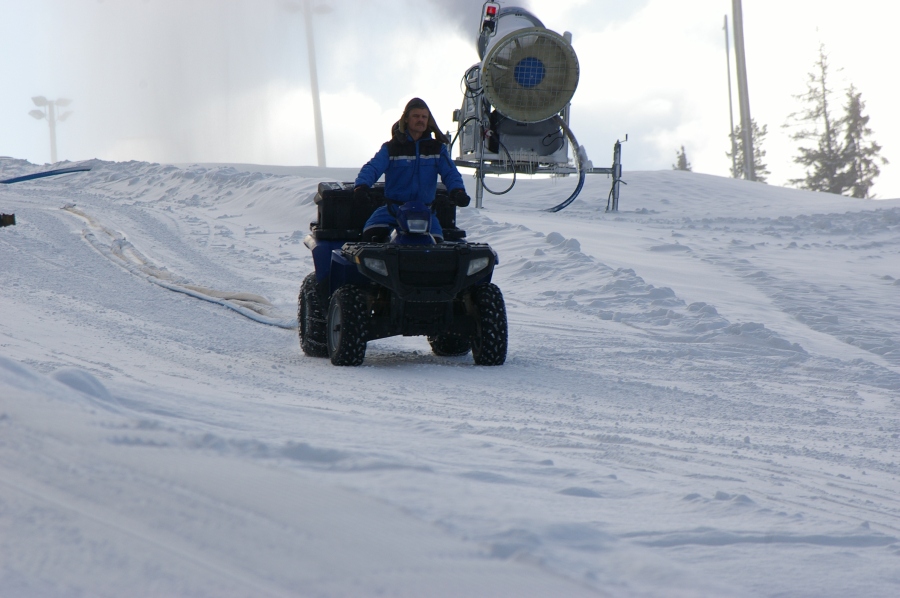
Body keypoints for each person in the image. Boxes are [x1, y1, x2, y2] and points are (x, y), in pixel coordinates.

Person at [354, 97, 470, 242]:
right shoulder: (391, 148)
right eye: (416, 116)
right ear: (406, 119)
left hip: (425, 214)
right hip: (393, 212)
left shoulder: (437, 149)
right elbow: (373, 167)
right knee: (370, 236)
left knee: (437, 244)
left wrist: (458, 191)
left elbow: (450, 173)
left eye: (424, 117)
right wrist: (361, 186)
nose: (420, 120)